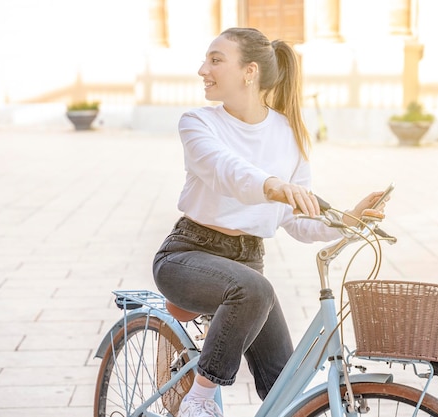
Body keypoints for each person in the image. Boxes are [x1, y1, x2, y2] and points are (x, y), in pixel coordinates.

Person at [152, 27, 386, 417]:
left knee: (288, 388)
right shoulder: (197, 123)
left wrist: (347, 218)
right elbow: (224, 169)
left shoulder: (289, 136)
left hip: (247, 268)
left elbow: (300, 222)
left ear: (250, 72)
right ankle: (199, 399)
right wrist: (272, 185)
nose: (201, 70)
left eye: (215, 60)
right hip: (188, 255)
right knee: (254, 289)